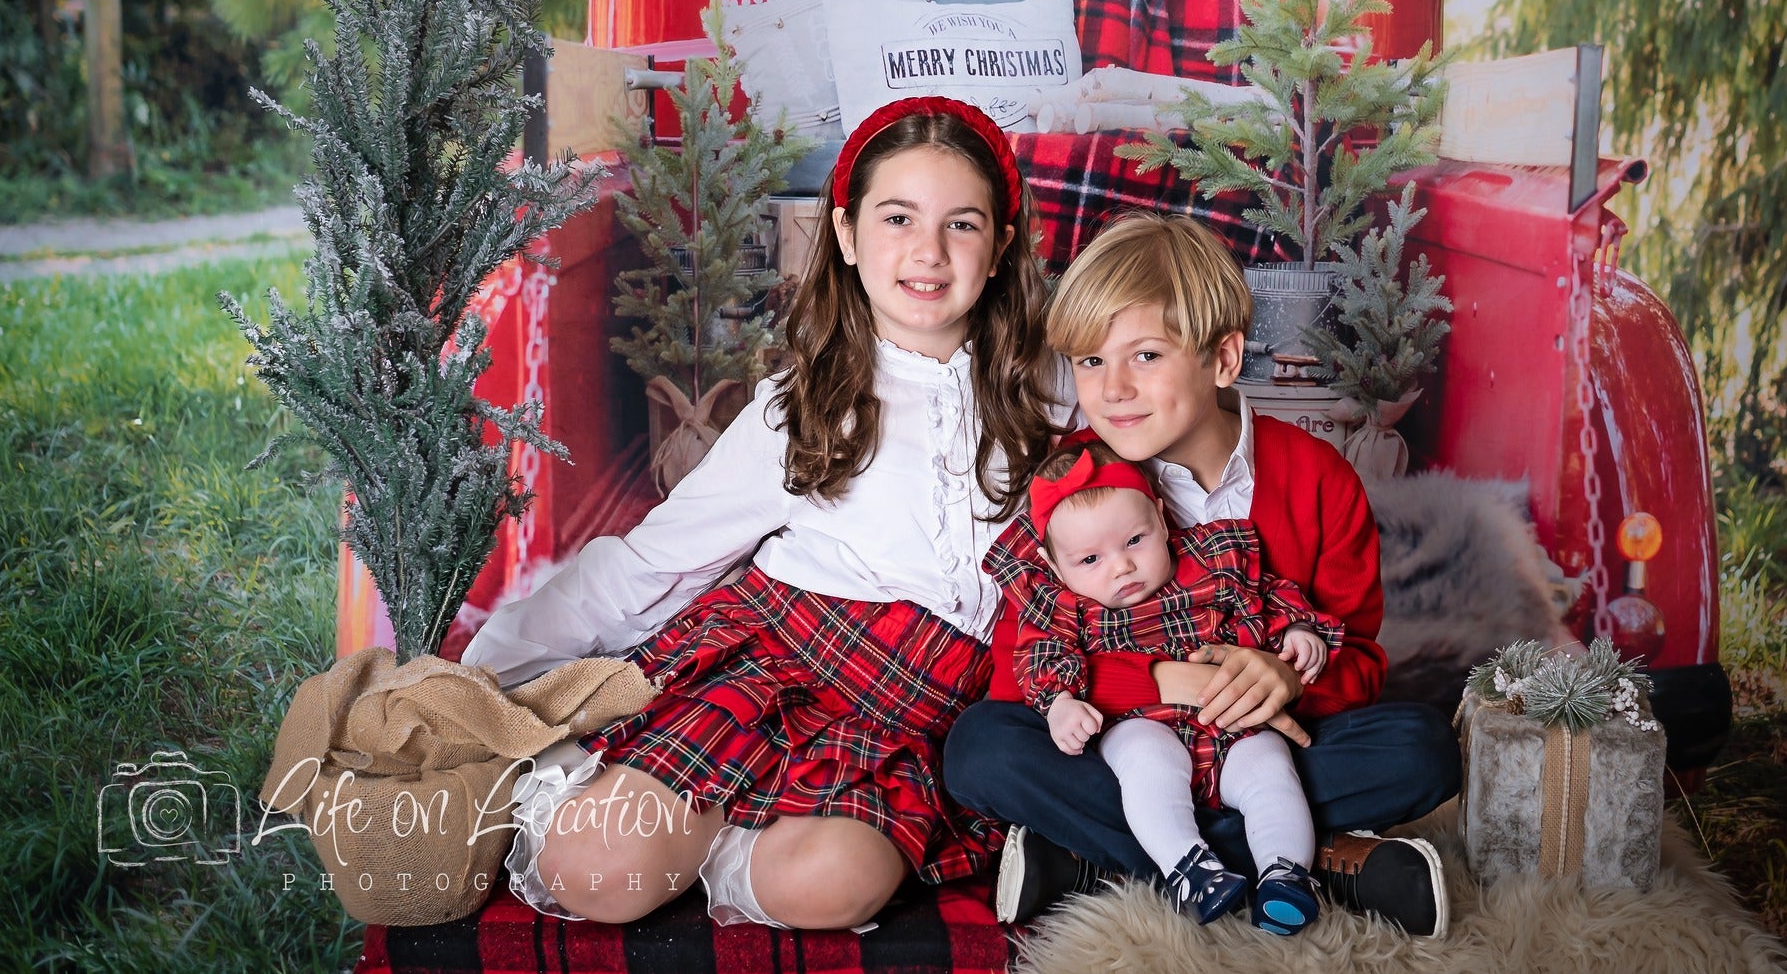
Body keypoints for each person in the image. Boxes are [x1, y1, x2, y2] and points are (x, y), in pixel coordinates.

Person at [459, 96, 1060, 929]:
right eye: (897, 218)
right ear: (846, 235)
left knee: (833, 882)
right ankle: (682, 820)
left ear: (1000, 246)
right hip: (777, 660)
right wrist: (487, 669)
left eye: (962, 224)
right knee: (593, 868)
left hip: (907, 714)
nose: (928, 250)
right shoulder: (800, 406)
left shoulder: (1059, 393)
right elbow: (656, 562)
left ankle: (735, 847)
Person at [944, 212, 1464, 939]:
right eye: (1090, 361)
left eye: (1145, 355)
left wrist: (1288, 680)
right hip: (1126, 749)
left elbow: (1361, 663)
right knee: (981, 748)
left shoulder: (1318, 478)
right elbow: (1016, 676)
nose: (1113, 389)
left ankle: (1106, 859)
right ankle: (1306, 858)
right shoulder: (1070, 484)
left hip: (1264, 748)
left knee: (1421, 748)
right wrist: (1165, 682)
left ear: (1223, 358)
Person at [994, 435, 1343, 933]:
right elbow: (1043, 657)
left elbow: (1269, 596)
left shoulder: (1213, 564)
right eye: (1090, 560)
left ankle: (1285, 875)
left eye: (1134, 540)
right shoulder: (1066, 607)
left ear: (1161, 519)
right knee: (1144, 766)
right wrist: (1060, 705)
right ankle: (1191, 869)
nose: (1121, 567)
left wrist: (1297, 632)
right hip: (1143, 726)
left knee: (1273, 768)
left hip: (1234, 723)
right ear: (1055, 567)